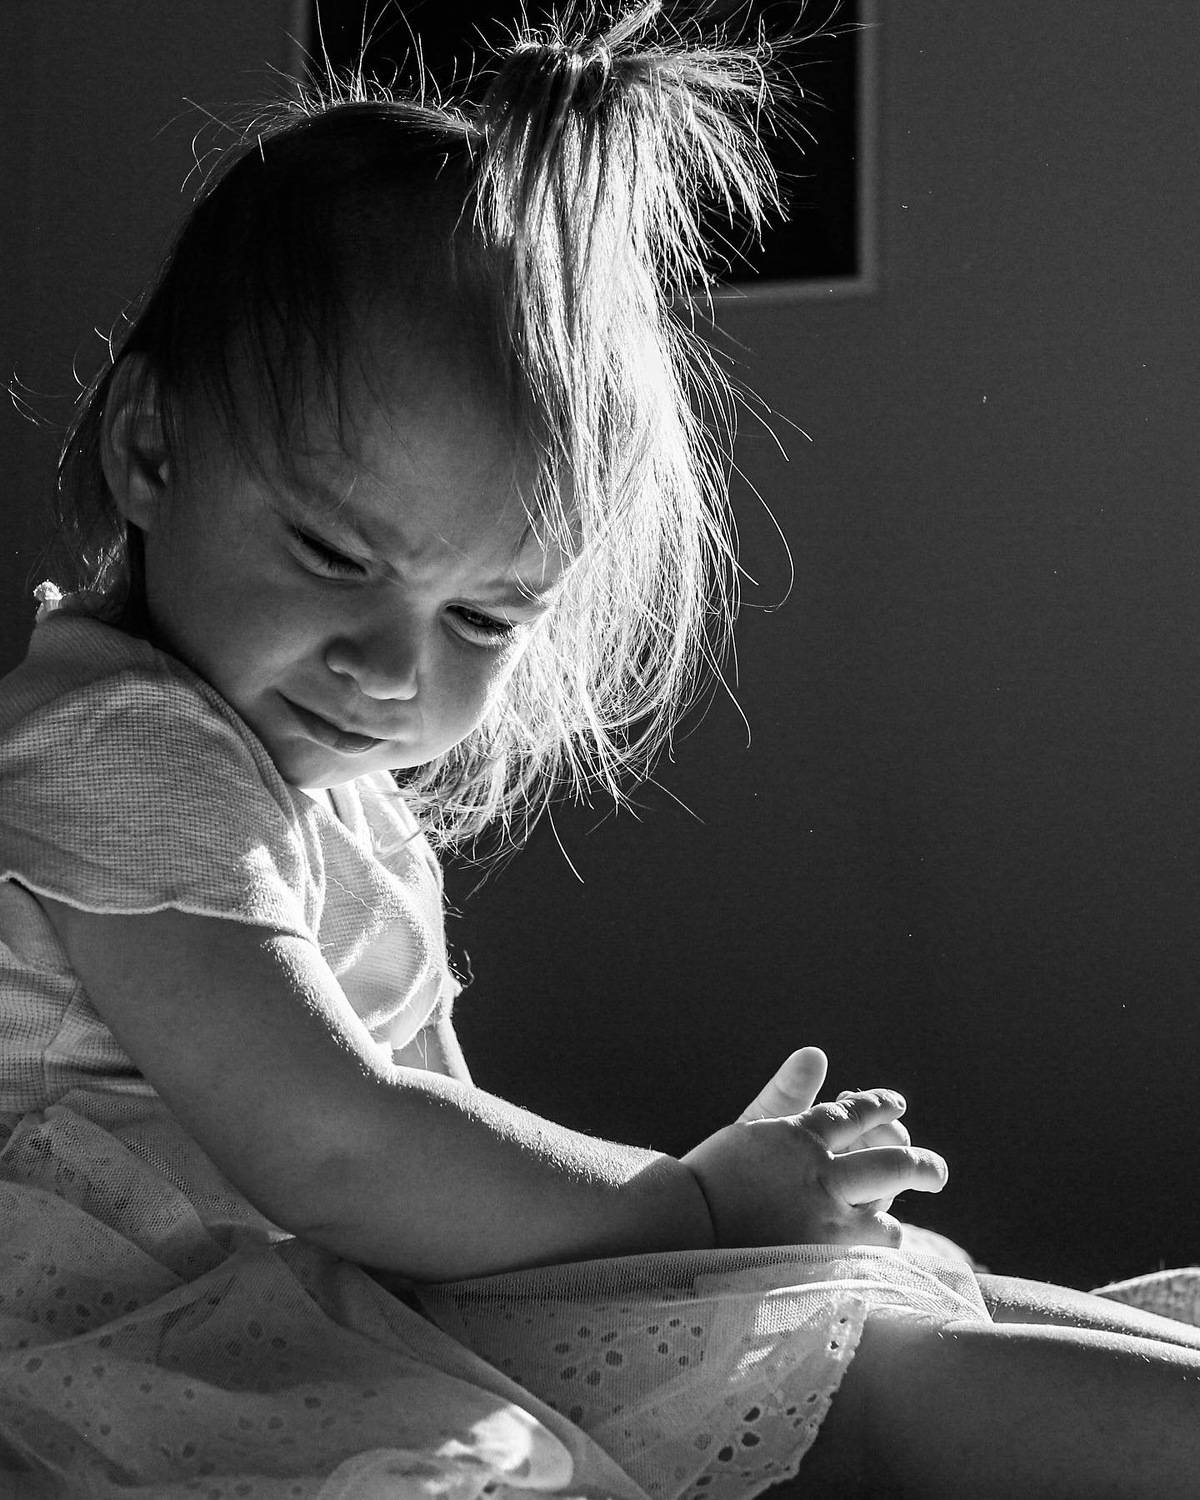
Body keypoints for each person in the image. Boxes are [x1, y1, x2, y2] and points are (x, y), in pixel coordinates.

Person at [0, 4, 1197, 1496]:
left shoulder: (302, 775)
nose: (395, 667)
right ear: (151, 450)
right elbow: (340, 1150)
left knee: (873, 1312)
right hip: (141, 1334)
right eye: (334, 554)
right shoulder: (123, 745)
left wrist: (714, 1234)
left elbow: (423, 1175)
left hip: (331, 1291)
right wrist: (693, 1209)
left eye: (485, 618)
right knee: (856, 1389)